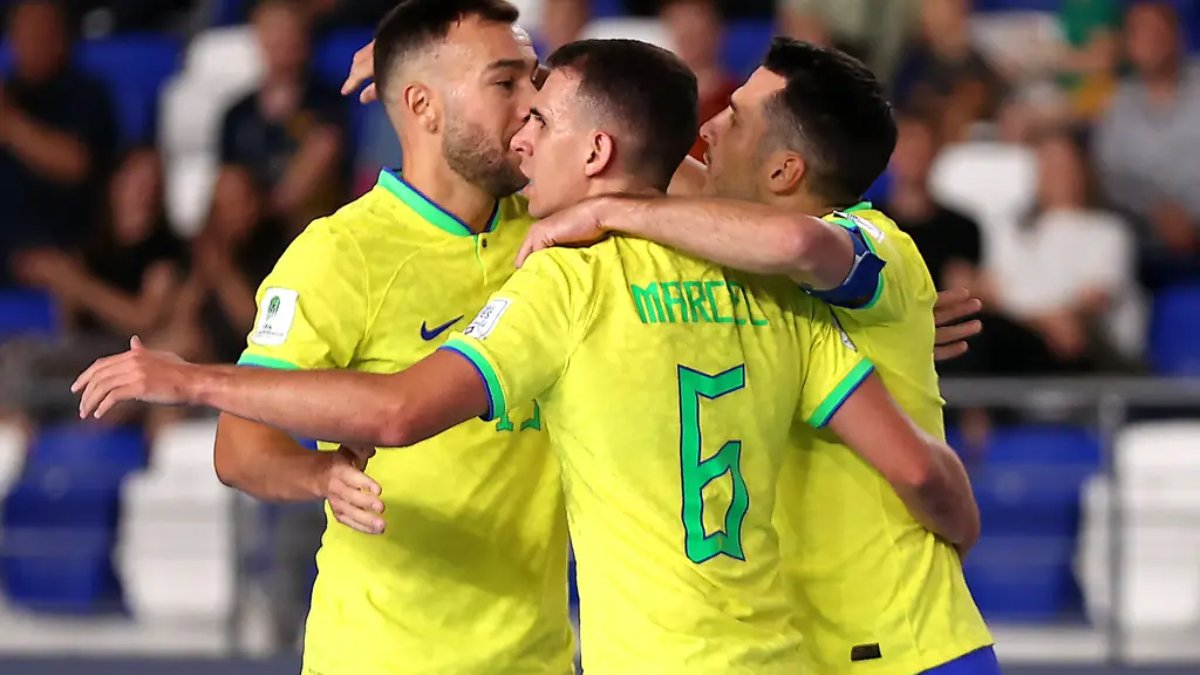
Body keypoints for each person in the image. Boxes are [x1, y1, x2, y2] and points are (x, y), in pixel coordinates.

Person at [74, 38, 980, 674]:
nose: (709, 133)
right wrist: (417, 65)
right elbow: (637, 138)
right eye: (509, 90)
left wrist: (184, 377)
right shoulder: (769, 291)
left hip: (726, 652)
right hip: (416, 656)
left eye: (735, 120)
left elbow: (397, 408)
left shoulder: (575, 269)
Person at [517, 38, 997, 674]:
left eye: (736, 116)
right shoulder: (744, 256)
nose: (709, 125)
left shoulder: (875, 240)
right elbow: (626, 164)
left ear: (783, 173)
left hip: (905, 646)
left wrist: (607, 210)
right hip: (806, 652)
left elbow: (799, 242)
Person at [195, 1, 573, 673]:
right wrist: (321, 472)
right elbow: (240, 445)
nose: (533, 104)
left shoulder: (561, 228)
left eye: (534, 79)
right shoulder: (341, 253)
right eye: (505, 82)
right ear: (424, 107)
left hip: (535, 657)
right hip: (379, 655)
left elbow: (660, 155)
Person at [0, 0, 117, 285]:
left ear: (64, 36)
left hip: (66, 247)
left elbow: (75, 164)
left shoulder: (86, 95)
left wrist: (10, 124)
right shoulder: (10, 91)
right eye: (25, 32)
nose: (34, 41)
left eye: (44, 31)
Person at [1096, 0, 1200, 289]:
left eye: (1156, 31)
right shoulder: (1117, 104)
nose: (1148, 41)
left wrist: (1192, 219)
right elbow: (1113, 179)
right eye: (1138, 33)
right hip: (1146, 238)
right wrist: (1158, 212)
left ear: (1176, 37)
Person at [219, 0, 344, 235]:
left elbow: (325, 154)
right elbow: (227, 178)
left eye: (288, 32)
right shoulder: (236, 112)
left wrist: (271, 207)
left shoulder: (327, 102)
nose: (281, 43)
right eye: (272, 32)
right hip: (246, 224)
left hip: (305, 221)